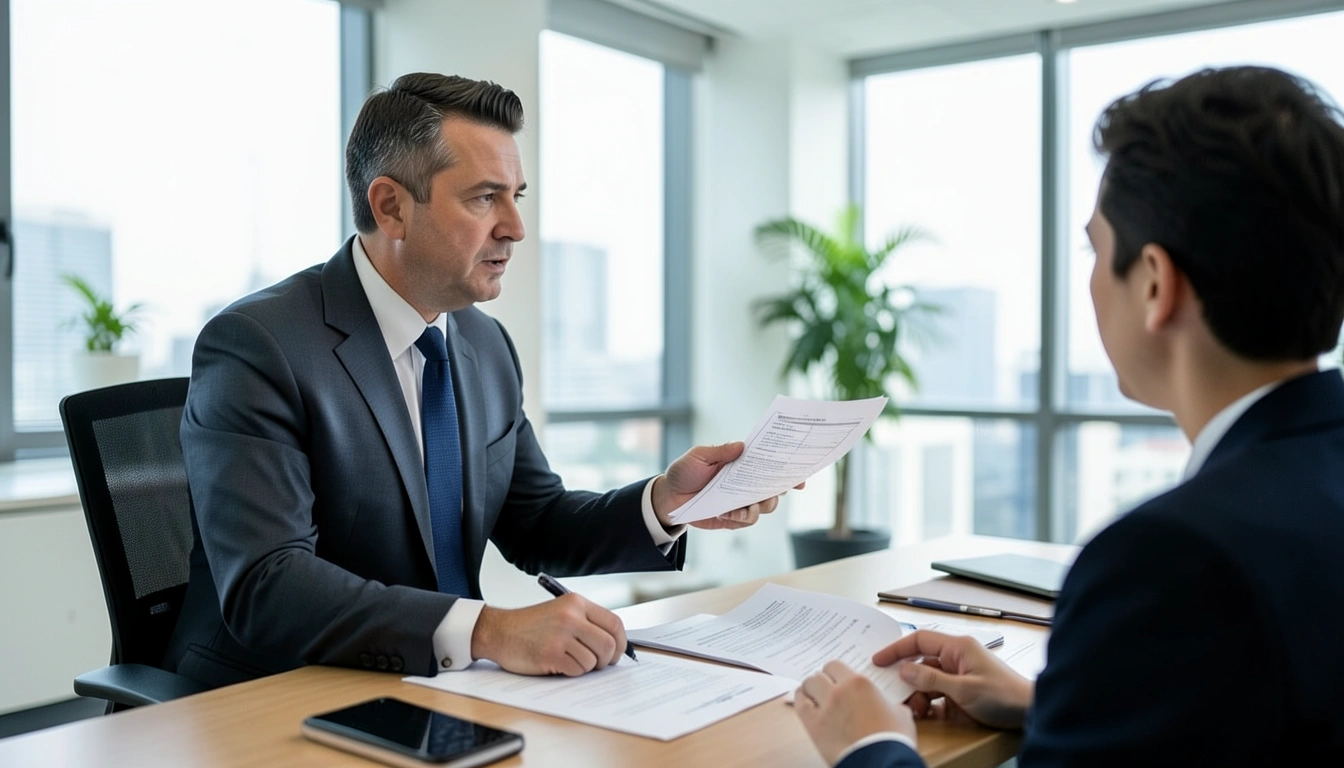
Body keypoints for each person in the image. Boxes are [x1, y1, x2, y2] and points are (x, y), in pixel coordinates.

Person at [796, 65, 1344, 767]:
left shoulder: (1169, 559)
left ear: (1155, 283)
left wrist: (871, 747)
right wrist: (1060, 704)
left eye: (1095, 249)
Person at [164, 73, 783, 688]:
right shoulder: (259, 345)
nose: (515, 227)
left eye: (516, 196)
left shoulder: (484, 345)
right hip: (278, 693)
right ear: (391, 207)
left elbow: (537, 521)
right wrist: (488, 630)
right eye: (485, 198)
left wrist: (667, 501)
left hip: (442, 687)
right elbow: (268, 584)